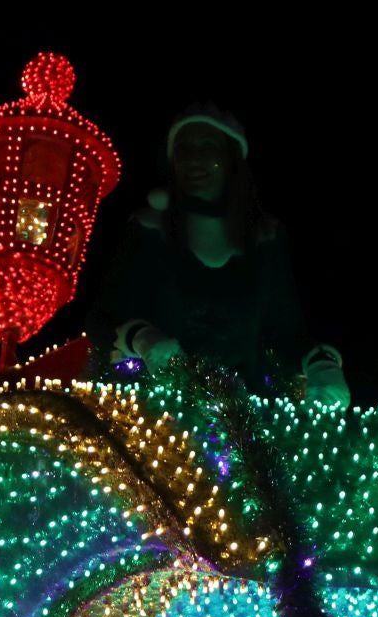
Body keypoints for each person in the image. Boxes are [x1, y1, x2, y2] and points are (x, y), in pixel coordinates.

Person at [87, 104, 348, 404]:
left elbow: (284, 330)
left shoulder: (265, 239)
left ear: (231, 158)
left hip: (245, 415)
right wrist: (143, 339)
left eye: (207, 146)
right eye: (184, 149)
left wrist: (320, 363)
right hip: (154, 412)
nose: (194, 158)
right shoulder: (148, 229)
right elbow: (103, 318)